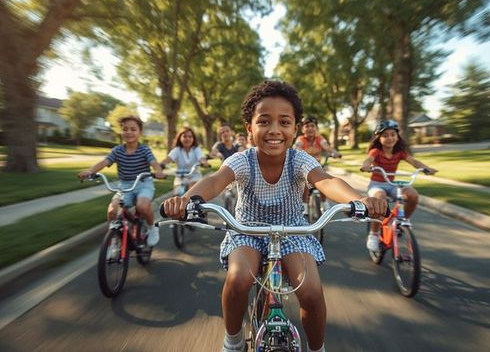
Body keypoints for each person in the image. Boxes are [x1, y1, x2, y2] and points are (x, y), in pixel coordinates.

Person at [162, 80, 387, 352]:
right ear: (249, 128)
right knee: (238, 279)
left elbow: (326, 181)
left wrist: (360, 200)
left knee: (312, 292)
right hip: (246, 230)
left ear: (294, 128)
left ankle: (317, 348)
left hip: (294, 231)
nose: (274, 130)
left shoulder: (300, 160)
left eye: (284, 122)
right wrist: (187, 201)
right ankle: (233, 341)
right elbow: (215, 180)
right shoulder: (242, 161)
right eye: (264, 121)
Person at [78, 115, 166, 246]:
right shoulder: (117, 150)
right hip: (124, 186)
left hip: (143, 184)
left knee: (142, 206)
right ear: (121, 132)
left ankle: (152, 228)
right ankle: (115, 238)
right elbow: (104, 162)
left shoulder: (144, 149)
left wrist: (158, 171)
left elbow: (153, 162)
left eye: (133, 129)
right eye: (125, 129)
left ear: (140, 132)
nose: (129, 132)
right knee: (112, 210)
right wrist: (90, 171)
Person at [359, 120, 438, 253]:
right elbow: (369, 160)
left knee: (412, 195)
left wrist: (426, 168)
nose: (389, 138)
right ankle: (374, 234)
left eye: (392, 134)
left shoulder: (400, 152)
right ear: (379, 138)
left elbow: (413, 161)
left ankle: (401, 221)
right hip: (377, 184)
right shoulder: (376, 151)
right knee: (380, 200)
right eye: (385, 135)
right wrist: (366, 166)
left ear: (397, 136)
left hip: (391, 184)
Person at [294, 116, 341, 217]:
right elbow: (297, 146)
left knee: (324, 180)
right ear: (303, 129)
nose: (310, 128)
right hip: (304, 168)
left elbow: (327, 147)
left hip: (317, 167)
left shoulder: (320, 139)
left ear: (316, 128)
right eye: (307, 126)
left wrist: (335, 152)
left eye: (312, 126)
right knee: (305, 183)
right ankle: (304, 206)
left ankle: (324, 203)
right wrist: (296, 151)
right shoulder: (301, 139)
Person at [159, 126, 210, 195]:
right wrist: (162, 165)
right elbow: (168, 159)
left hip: (194, 176)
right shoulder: (177, 150)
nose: (187, 139)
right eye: (184, 136)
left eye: (190, 137)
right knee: (177, 196)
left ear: (193, 139)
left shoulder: (196, 150)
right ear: (180, 138)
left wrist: (204, 163)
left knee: (192, 192)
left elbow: (202, 158)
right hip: (180, 177)